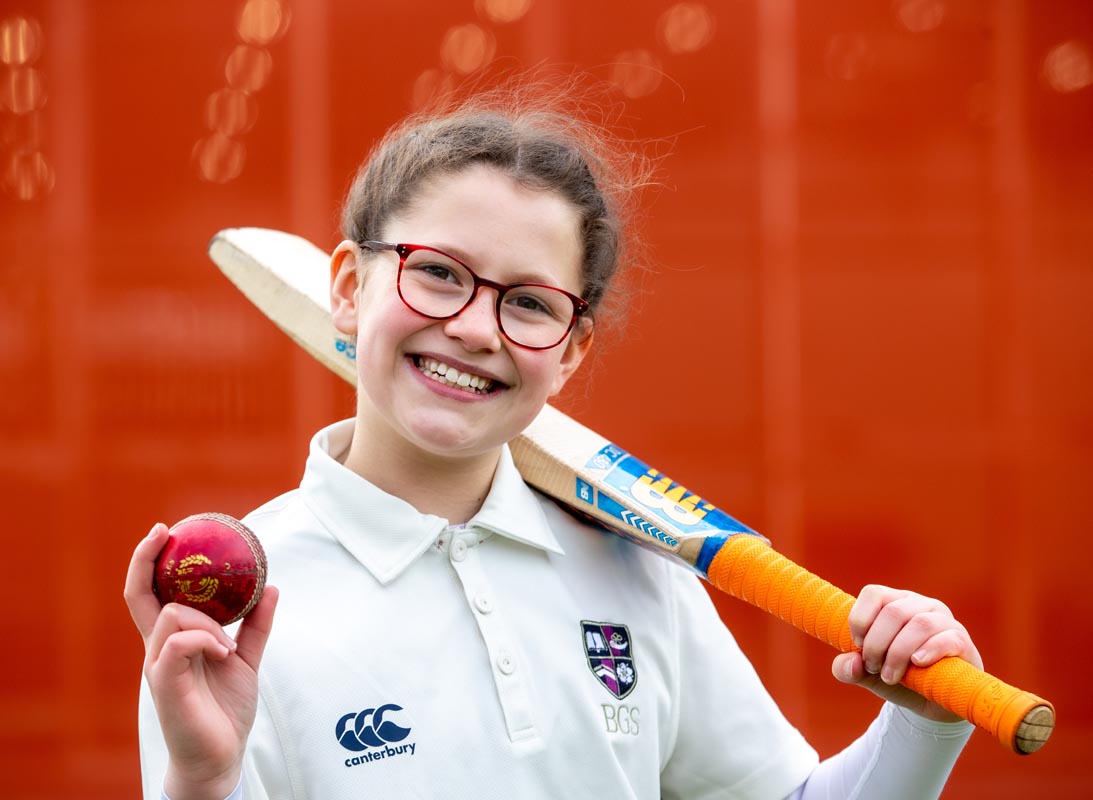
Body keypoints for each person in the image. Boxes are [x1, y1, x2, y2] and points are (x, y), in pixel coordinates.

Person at [125, 81, 980, 800]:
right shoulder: (241, 618)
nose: (472, 328)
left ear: (571, 351)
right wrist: (202, 786)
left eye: (529, 303)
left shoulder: (637, 568)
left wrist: (920, 723)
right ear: (348, 288)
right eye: (437, 273)